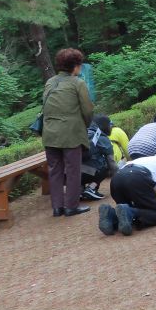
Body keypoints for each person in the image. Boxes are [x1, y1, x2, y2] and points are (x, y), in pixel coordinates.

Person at [42, 48, 94, 218]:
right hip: (71, 133)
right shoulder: (77, 83)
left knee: (55, 170)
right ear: (76, 66)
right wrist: (84, 126)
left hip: (50, 133)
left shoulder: (50, 82)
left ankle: (57, 207)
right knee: (73, 170)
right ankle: (71, 206)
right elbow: (87, 110)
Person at [99, 155, 156, 236]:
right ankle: (129, 211)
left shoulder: (151, 161)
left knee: (125, 212)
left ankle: (110, 214)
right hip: (137, 176)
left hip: (117, 178)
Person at [81, 120, 117, 200]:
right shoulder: (101, 137)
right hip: (86, 172)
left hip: (67, 173)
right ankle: (92, 188)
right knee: (107, 164)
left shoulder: (83, 133)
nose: (111, 127)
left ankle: (79, 190)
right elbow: (111, 162)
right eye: (110, 125)